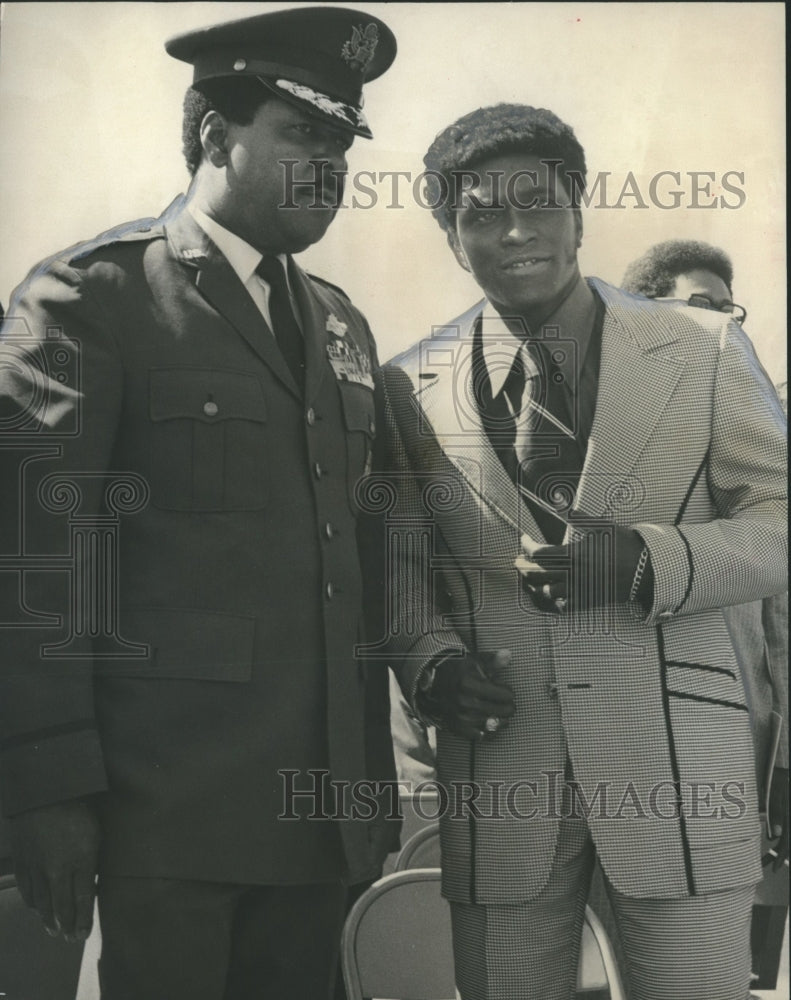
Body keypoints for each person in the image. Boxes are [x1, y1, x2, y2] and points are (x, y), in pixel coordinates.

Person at [0, 8, 398, 999]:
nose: (329, 165)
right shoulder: (90, 298)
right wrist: (49, 791)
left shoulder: (339, 322)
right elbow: (38, 562)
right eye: (301, 134)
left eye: (341, 143)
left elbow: (363, 545)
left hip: (318, 822)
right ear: (215, 136)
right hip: (161, 823)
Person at [377, 104, 787, 1000]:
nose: (515, 231)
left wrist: (649, 562)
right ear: (450, 237)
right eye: (480, 214)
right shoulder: (407, 382)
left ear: (579, 210)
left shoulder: (704, 348)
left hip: (679, 779)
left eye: (539, 203)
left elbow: (779, 523)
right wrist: (430, 663)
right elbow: (401, 575)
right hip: (498, 777)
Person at [622, 239, 788, 864]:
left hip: (754, 738)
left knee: (742, 951)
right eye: (700, 304)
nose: (721, 320)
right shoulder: (623, 427)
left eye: (729, 307)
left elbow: (775, 620)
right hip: (651, 746)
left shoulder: (753, 425)